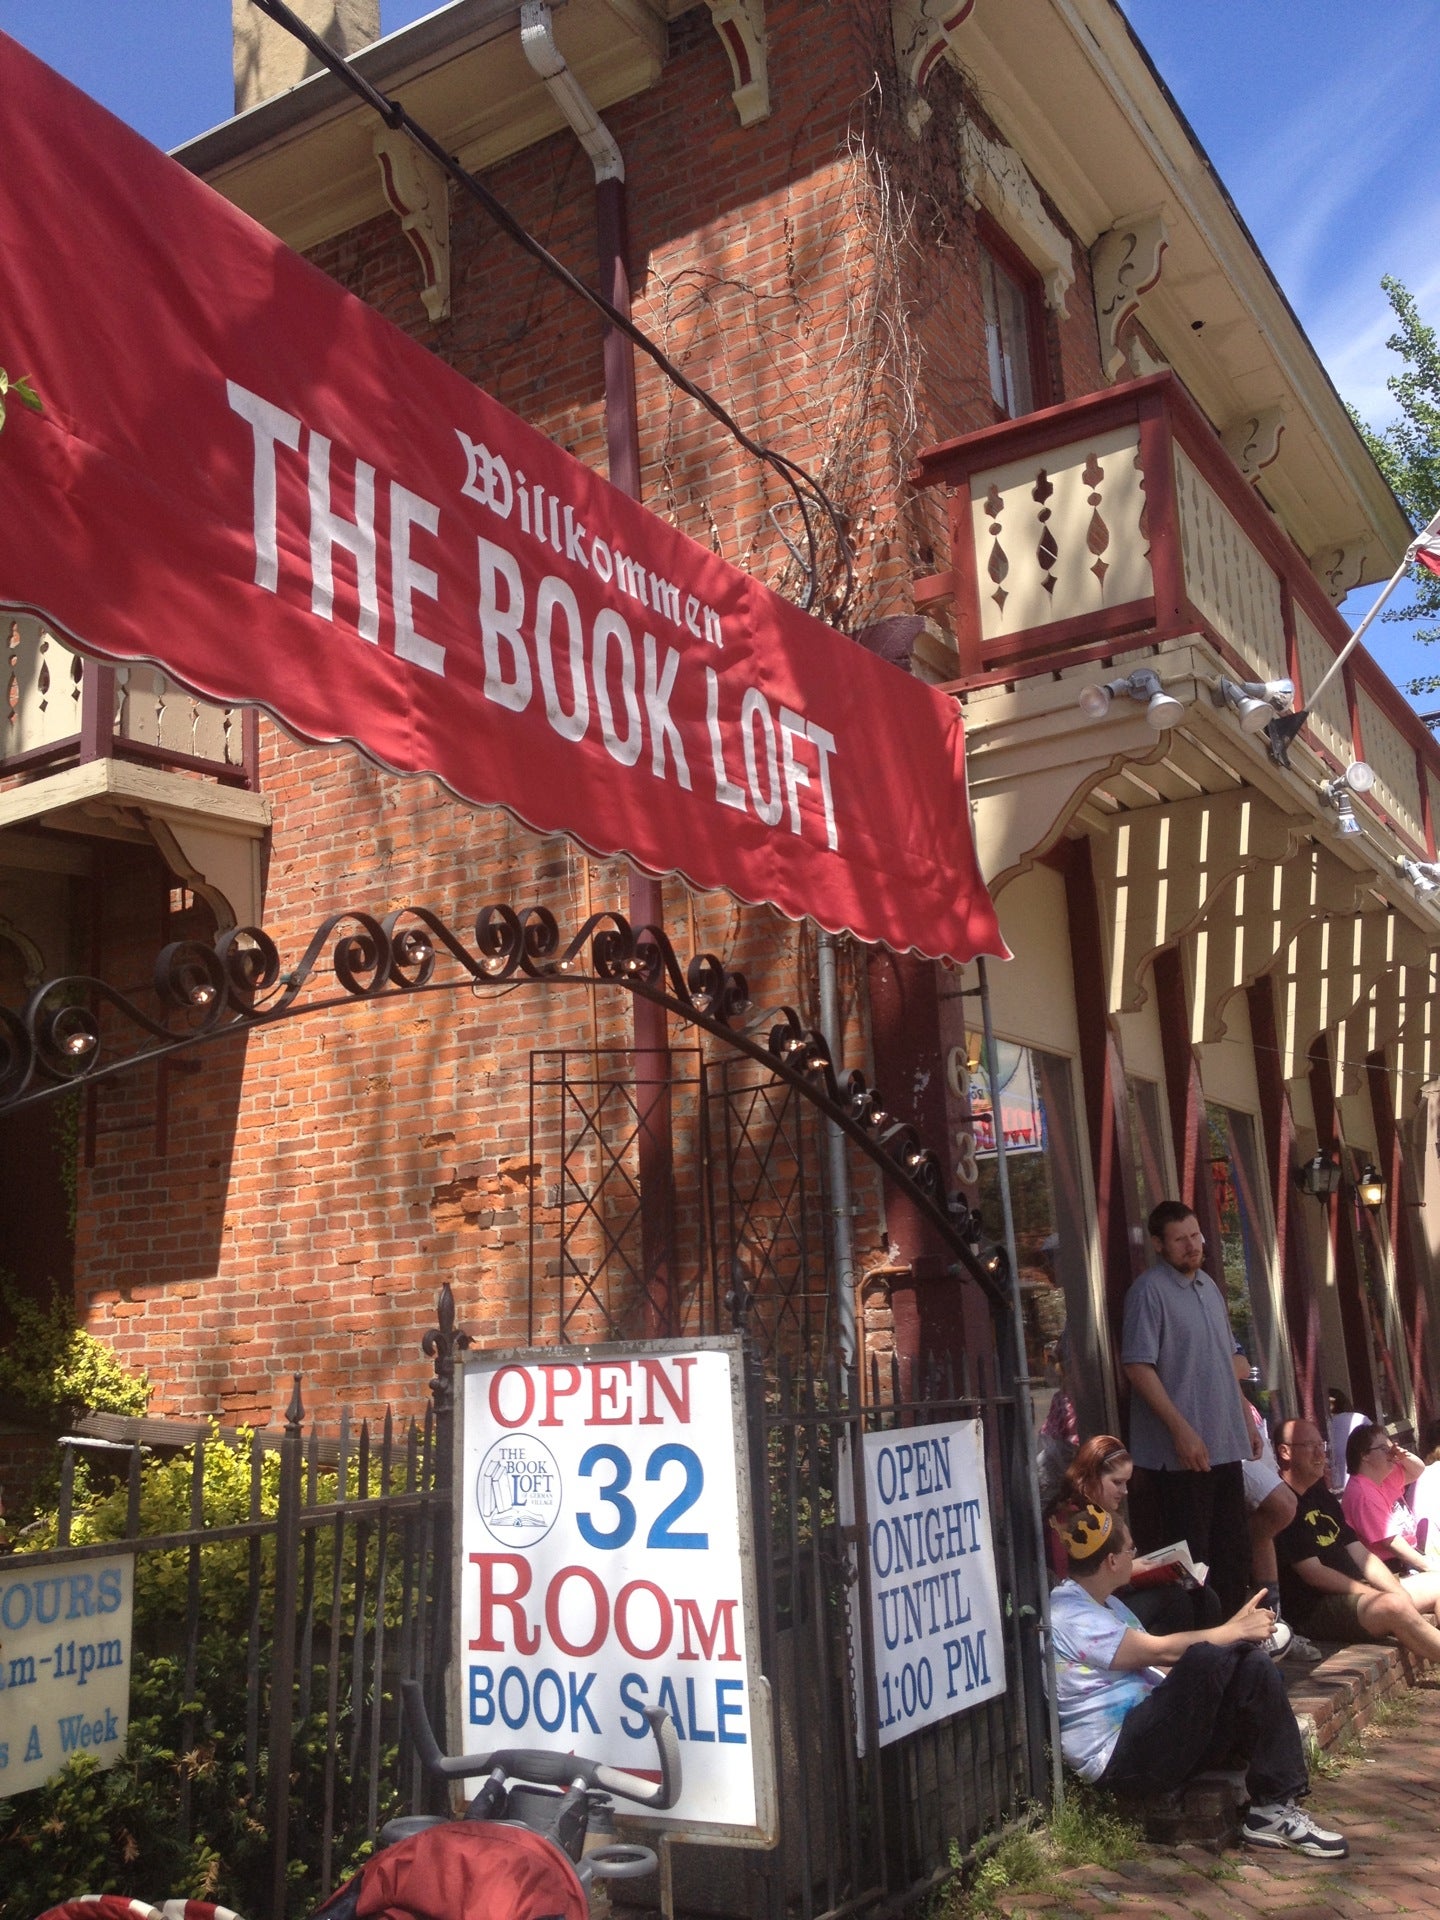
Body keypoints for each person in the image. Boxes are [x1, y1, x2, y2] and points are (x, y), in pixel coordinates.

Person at [1048, 1502, 1347, 1858]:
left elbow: (1164, 1673)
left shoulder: (1109, 1605)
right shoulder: (1069, 1614)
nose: (1134, 1557)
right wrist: (1229, 1634)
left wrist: (1229, 1661)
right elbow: (1159, 1652)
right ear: (1112, 1561)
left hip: (1157, 1736)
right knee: (1208, 1655)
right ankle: (1250, 1647)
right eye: (1131, 1550)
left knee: (1252, 1668)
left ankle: (1273, 1809)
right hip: (1121, 1758)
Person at [1122, 1200, 1260, 1618]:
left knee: (1233, 1552)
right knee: (1190, 1561)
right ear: (1159, 1245)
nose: (1192, 1245)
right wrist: (1180, 1431)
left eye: (1196, 1235)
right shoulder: (1148, 1292)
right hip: (1179, 1457)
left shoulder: (1210, 1287)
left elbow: (1224, 1362)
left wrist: (1245, 1415)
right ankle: (1203, 1646)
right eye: (1180, 1239)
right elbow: (1137, 1367)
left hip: (1224, 1443)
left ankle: (1241, 1643)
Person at [1272, 1419, 1440, 1661]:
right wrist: (1373, 1595)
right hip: (1316, 1607)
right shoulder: (1281, 1503)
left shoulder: (1321, 1495)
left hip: (1357, 1592)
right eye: (1310, 1445)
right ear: (1285, 1451)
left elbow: (1361, 1554)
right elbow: (1314, 1574)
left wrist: (1394, 1590)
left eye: (1322, 1445)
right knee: (1393, 1606)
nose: (1321, 1453)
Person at [1049, 1434, 1224, 1634]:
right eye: (1117, 1482)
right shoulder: (1069, 1519)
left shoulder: (1107, 1513)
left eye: (1126, 1483)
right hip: (1090, 1610)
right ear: (1090, 1477)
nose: (1125, 1491)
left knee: (1203, 1596)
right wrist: (1131, 1570)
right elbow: (1070, 1581)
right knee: (1175, 1602)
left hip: (1117, 1596)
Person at [1233, 1353, 1321, 1661]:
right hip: (1224, 1444)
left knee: (1266, 1527)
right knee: (1282, 1505)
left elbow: (1239, 1368)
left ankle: (1274, 1620)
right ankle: (1260, 1619)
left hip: (1249, 1437)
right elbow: (1236, 1366)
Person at [1340, 1423, 1440, 1603]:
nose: (1391, 1453)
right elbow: (1391, 1542)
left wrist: (1403, 1455)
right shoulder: (1363, 1493)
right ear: (1365, 1455)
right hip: (1389, 1573)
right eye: (1384, 1448)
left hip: (1408, 1561)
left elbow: (1418, 1470)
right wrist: (1430, 1566)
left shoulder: (1383, 1478)